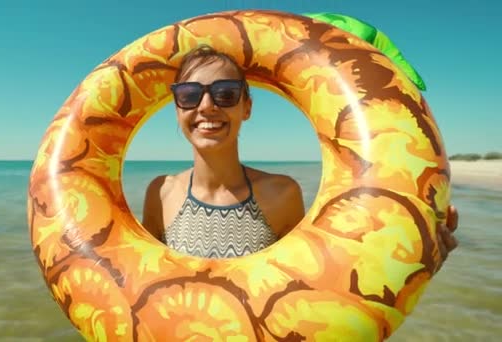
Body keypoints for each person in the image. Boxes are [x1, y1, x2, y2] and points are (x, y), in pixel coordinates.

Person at [141, 44, 458, 264]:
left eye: (225, 94)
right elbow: (139, 282)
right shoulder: (160, 192)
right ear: (176, 107)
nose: (206, 106)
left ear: (246, 107)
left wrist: (417, 256)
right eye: (189, 95)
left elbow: (315, 282)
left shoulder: (281, 193)